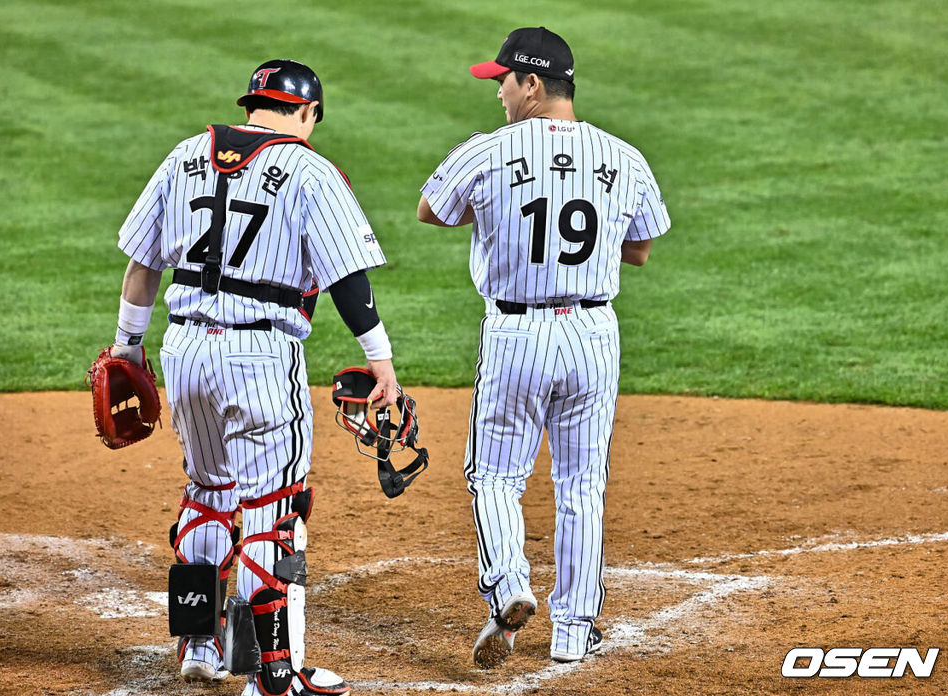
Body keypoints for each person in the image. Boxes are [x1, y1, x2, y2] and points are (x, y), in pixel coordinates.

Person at [110, 59, 398, 696]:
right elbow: (349, 281)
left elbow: (141, 265)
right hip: (260, 359)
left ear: (250, 105)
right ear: (306, 113)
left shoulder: (186, 154)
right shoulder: (309, 170)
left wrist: (128, 348)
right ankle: (274, 676)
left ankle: (197, 645)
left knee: (207, 491)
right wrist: (381, 360)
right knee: (275, 513)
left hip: (184, 349)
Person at [417, 27, 671, 668]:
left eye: (502, 80)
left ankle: (509, 585)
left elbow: (431, 211)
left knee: (495, 476)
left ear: (532, 84)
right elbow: (639, 251)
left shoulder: (488, 151)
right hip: (593, 336)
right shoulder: (623, 156)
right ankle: (574, 631)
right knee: (583, 484)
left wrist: (504, 212)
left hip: (515, 335)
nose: (497, 93)